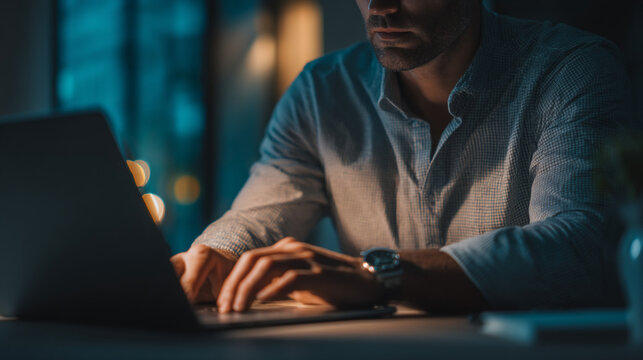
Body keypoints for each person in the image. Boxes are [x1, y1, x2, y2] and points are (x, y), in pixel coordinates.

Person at [170, 0, 628, 314]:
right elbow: (261, 211)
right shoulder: (320, 92)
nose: (380, 7)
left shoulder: (572, 70)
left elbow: (580, 246)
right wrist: (213, 255)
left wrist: (377, 274)